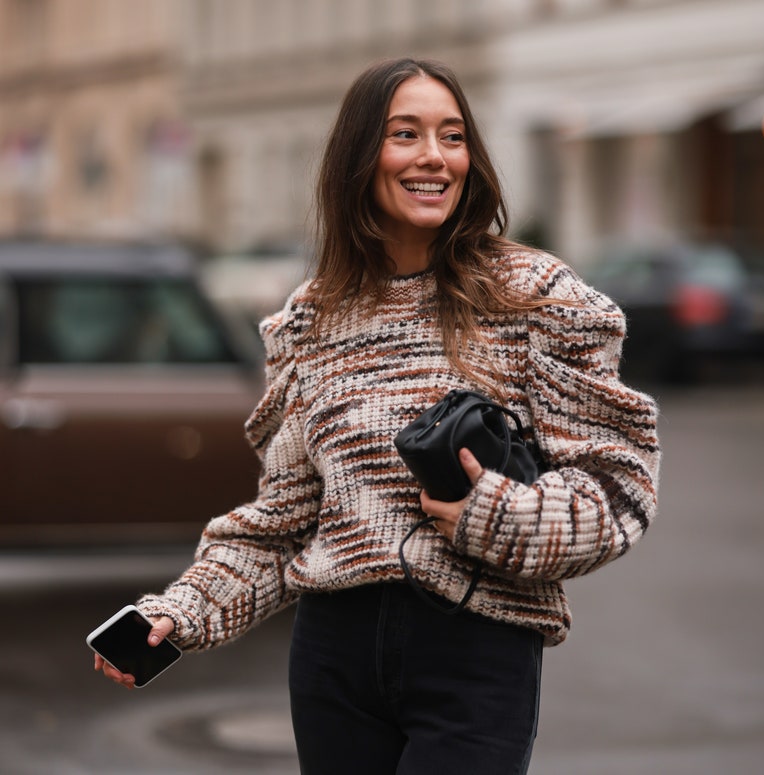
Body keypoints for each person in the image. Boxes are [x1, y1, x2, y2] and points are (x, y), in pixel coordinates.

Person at [95, 57, 660, 774]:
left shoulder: (538, 298)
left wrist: (496, 517)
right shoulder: (310, 319)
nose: (433, 156)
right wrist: (182, 612)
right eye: (406, 134)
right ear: (360, 157)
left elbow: (619, 487)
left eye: (452, 137)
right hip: (334, 658)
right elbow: (284, 521)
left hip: (475, 649)